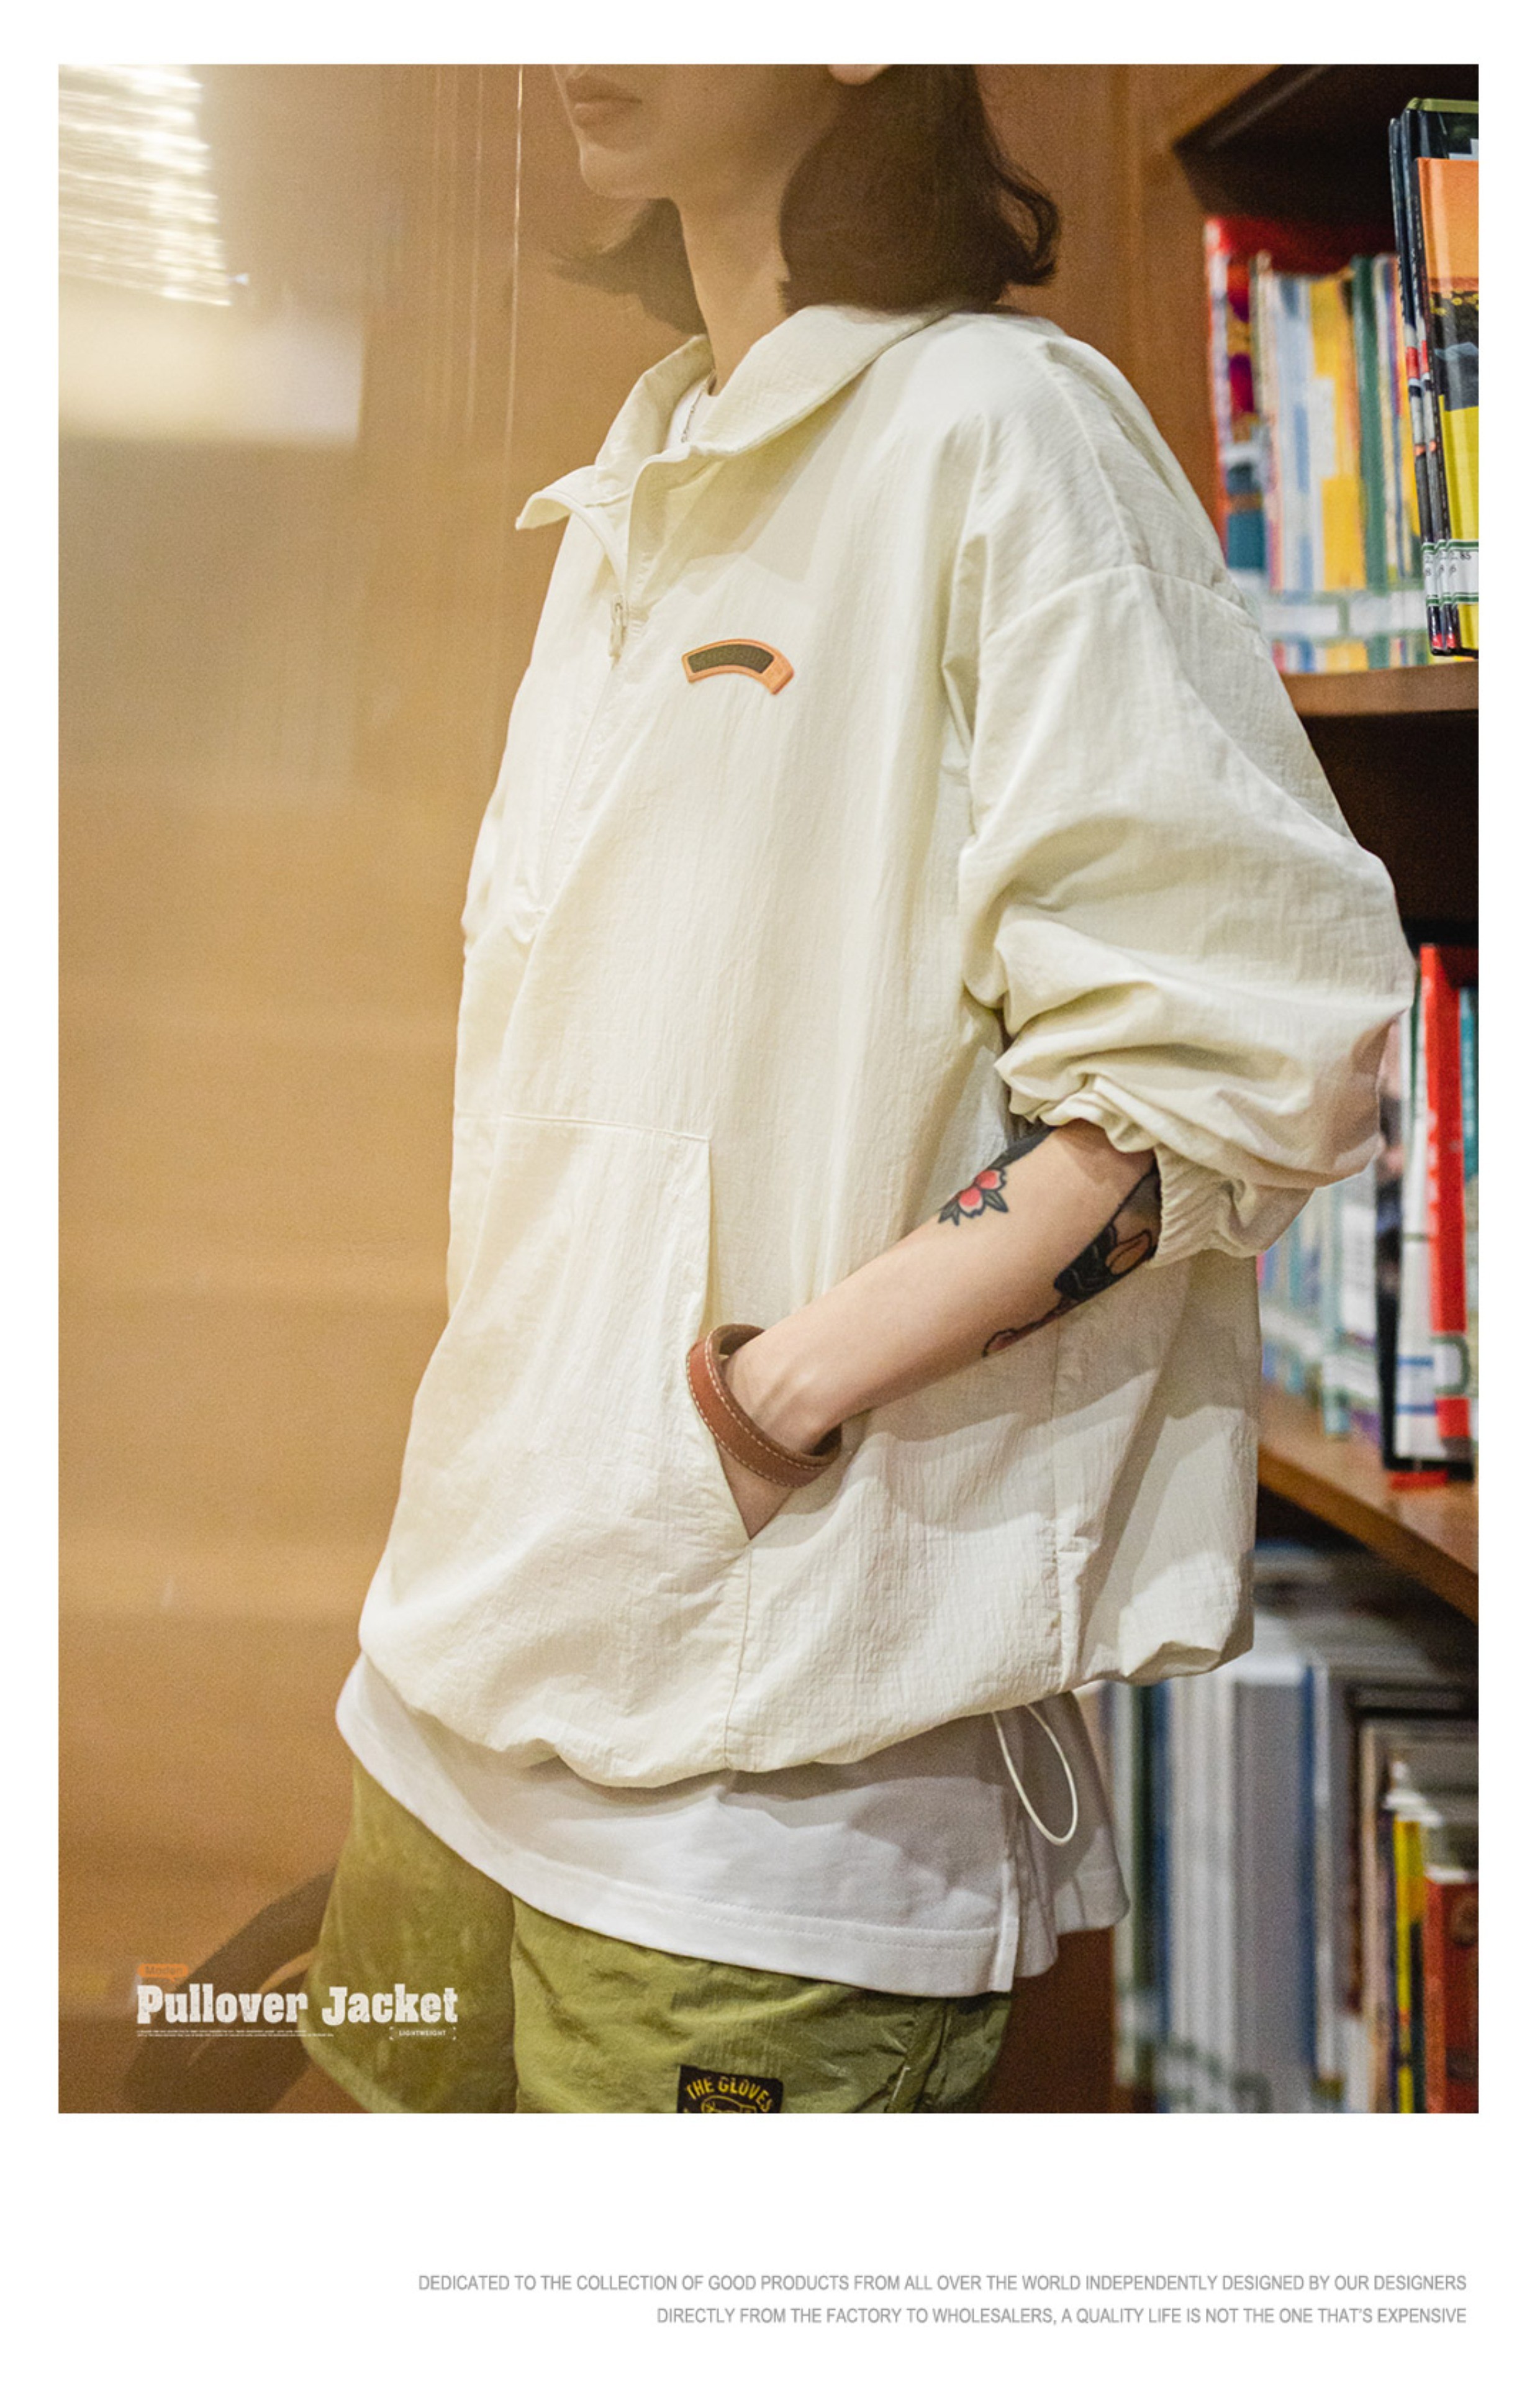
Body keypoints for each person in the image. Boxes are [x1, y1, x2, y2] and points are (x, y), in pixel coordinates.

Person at [298, 65, 1412, 2113]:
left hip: (773, 1793)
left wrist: (773, 1399)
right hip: (452, 1687)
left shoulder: (1002, 423)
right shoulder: (644, 463)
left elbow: (1241, 1038)